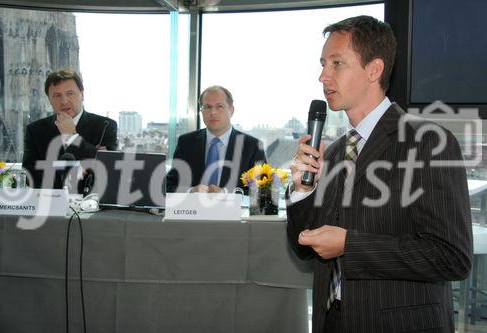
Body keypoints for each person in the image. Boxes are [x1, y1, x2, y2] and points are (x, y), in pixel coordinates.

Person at [287, 16, 472, 332]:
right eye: (322, 64)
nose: (322, 76)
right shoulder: (331, 153)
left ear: (374, 70)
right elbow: (304, 249)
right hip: (330, 320)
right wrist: (303, 191)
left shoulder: (428, 142)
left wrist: (350, 245)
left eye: (337, 64)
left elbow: (450, 257)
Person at [22, 69, 118, 192]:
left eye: (70, 93)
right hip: (49, 205)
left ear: (82, 94)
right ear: (49, 99)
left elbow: (106, 171)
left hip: (92, 205)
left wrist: (72, 137)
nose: (64, 101)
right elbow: (31, 177)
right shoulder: (35, 130)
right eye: (57, 95)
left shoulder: (105, 126)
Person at [166, 85, 266, 193]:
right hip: (193, 209)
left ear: (231, 110)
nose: (213, 112)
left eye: (220, 106)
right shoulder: (186, 142)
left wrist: (227, 194)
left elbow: (262, 190)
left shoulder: (252, 146)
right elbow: (169, 185)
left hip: (233, 209)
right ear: (201, 111)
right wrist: (191, 191)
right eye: (207, 107)